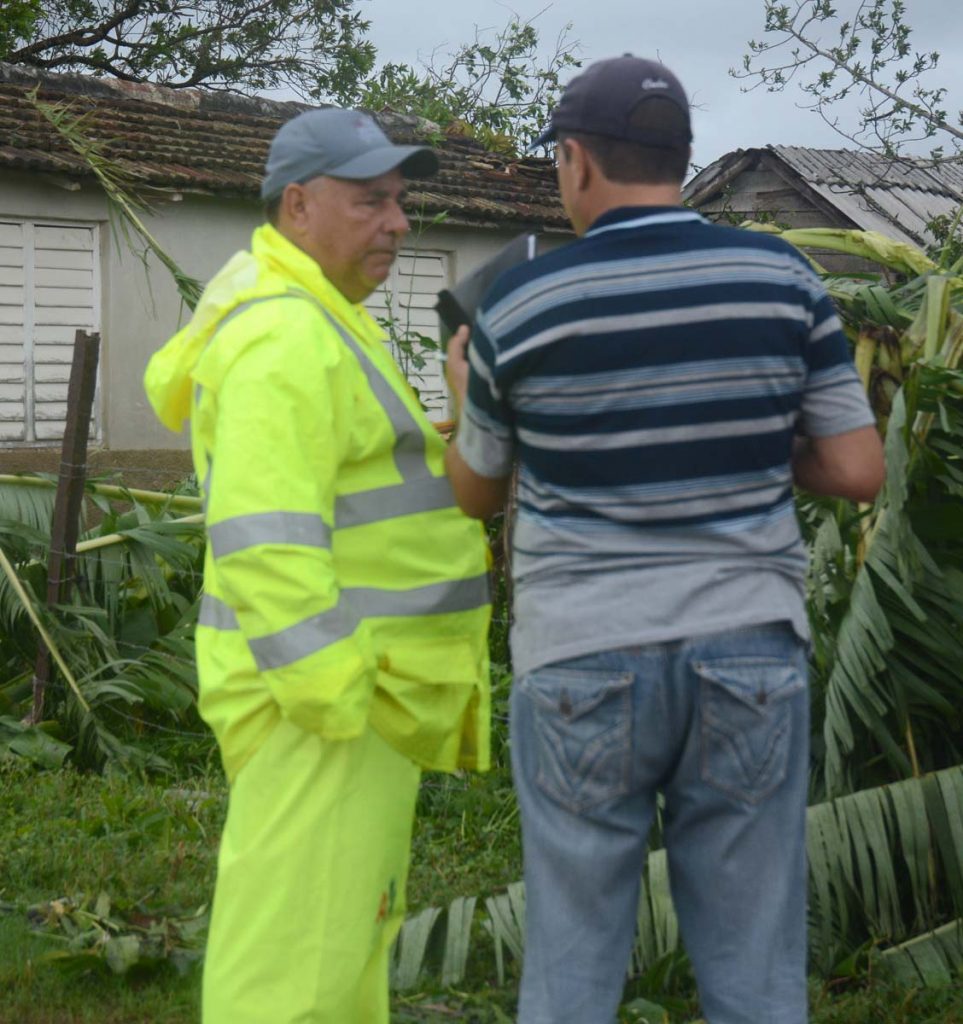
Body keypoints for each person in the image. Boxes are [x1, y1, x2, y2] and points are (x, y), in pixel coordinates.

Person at [444, 55, 885, 1024]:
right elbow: (858, 471)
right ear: (680, 159)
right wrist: (761, 452)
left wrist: (458, 386)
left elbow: (474, 493)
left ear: (575, 161)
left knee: (570, 963)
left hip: (581, 658)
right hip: (749, 653)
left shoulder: (518, 307)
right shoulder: (782, 278)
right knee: (754, 964)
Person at [144, 107, 492, 1024]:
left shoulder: (316, 320)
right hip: (325, 709)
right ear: (297, 206)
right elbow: (266, 541)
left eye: (400, 200)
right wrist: (336, 696)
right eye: (371, 201)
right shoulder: (288, 337)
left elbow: (345, 488)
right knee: (295, 979)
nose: (399, 223)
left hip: (340, 706)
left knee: (332, 958)